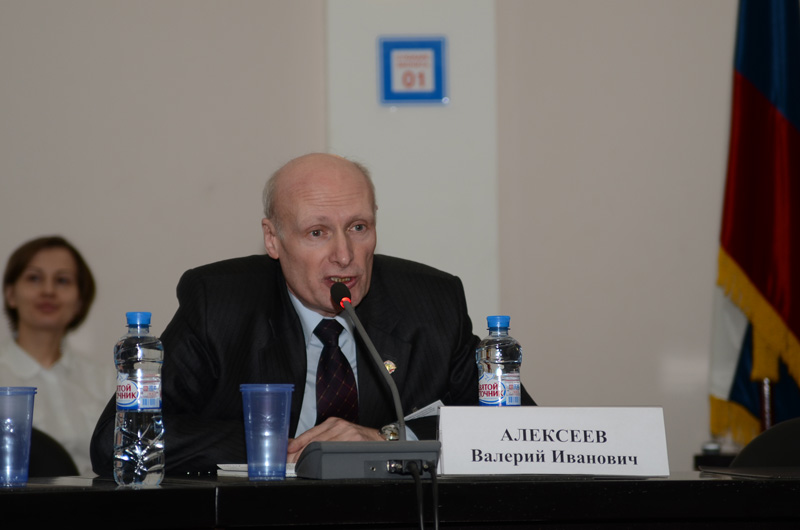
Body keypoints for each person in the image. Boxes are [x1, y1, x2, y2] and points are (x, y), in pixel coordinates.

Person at [90, 153, 534, 475]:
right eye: (317, 232)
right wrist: (280, 447)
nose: (344, 255)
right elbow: (117, 440)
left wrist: (387, 441)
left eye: (358, 227)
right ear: (273, 239)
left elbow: (520, 435)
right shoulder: (221, 304)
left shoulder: (431, 304)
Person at [1, 236, 112, 476]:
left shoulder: (108, 381)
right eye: (34, 278)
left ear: (80, 301)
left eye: (62, 280)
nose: (48, 291)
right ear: (10, 294)